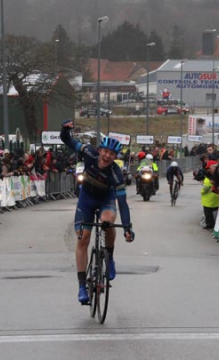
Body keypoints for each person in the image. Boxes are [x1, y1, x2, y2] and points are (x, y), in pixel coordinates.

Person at [60, 119, 134, 305]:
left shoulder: (116, 174)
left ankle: (109, 257)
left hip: (105, 200)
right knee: (83, 238)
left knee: (108, 221)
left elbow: (123, 204)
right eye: (105, 152)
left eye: (112, 154)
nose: (107, 156)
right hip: (86, 199)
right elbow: (67, 140)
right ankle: (82, 286)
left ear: (115, 156)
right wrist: (64, 129)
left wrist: (127, 227)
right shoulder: (88, 153)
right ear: (100, 150)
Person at [200, 160, 219, 229]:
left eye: (209, 168)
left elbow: (205, 189)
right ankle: (213, 224)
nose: (208, 170)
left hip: (209, 200)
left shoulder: (209, 178)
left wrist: (201, 191)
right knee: (214, 213)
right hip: (214, 199)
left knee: (208, 214)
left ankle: (210, 225)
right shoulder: (214, 175)